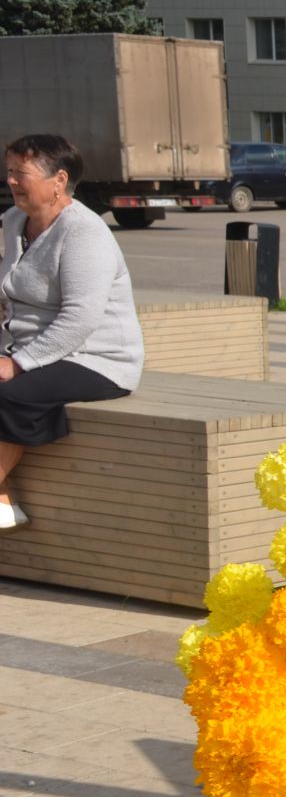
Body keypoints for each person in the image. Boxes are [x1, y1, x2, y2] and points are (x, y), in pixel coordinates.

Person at [0, 136, 144, 530]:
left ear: (59, 180)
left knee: (8, 395)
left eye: (21, 173)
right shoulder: (14, 222)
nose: (11, 181)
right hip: (35, 349)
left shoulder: (84, 232)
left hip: (96, 358)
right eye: (9, 171)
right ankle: (3, 499)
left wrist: (17, 363)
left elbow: (80, 317)